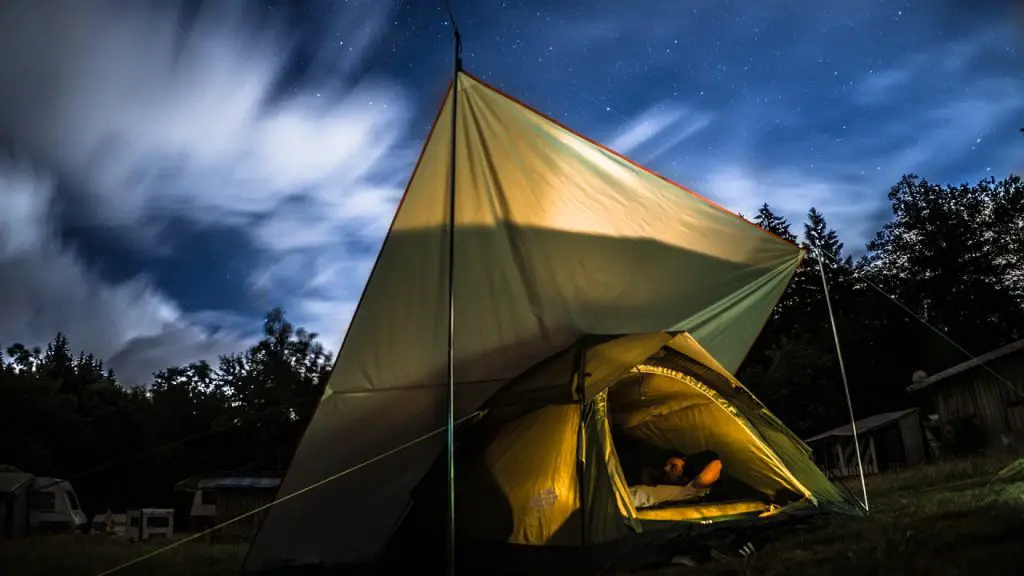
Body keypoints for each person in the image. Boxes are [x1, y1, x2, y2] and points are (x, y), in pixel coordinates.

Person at [629, 450, 723, 509]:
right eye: (667, 466)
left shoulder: (690, 492)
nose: (666, 469)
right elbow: (646, 471)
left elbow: (716, 463)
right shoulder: (671, 490)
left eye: (672, 467)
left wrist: (690, 465)